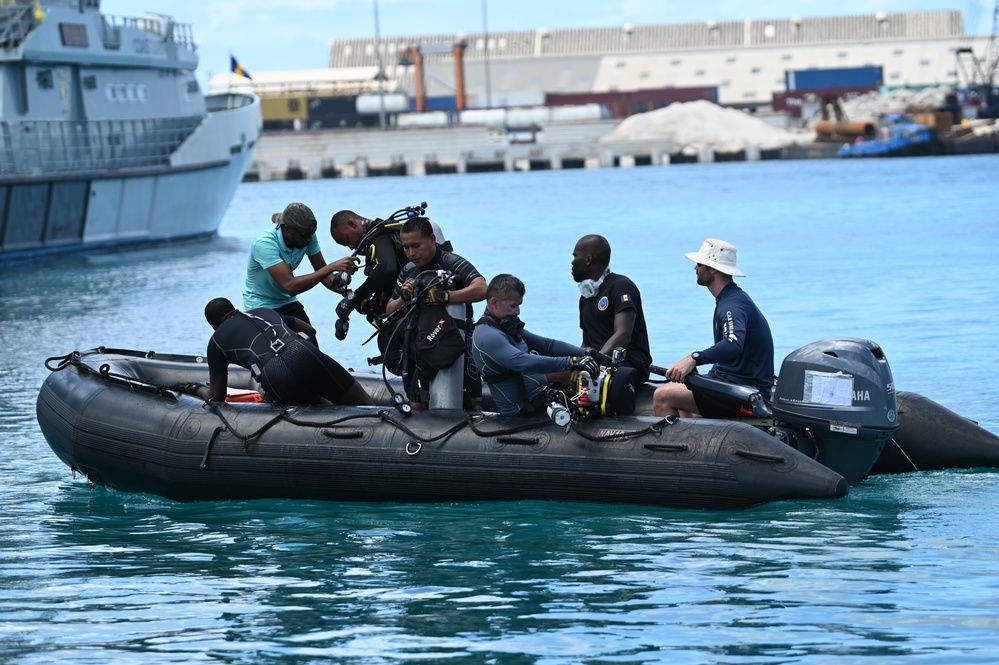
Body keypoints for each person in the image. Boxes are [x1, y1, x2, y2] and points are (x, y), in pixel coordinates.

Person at [653, 238, 774, 419]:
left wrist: (694, 358)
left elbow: (733, 344)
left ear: (713, 268)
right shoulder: (730, 299)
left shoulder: (732, 305)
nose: (695, 268)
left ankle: (671, 446)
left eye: (699, 264)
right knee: (685, 385)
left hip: (744, 395)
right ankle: (689, 445)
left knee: (662, 396)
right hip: (733, 384)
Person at [386, 216, 487, 409]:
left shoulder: (450, 262)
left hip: (456, 342)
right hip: (419, 345)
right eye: (406, 248)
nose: (411, 253)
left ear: (432, 239)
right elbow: (390, 309)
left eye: (416, 246)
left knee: (474, 400)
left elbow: (482, 288)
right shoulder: (408, 270)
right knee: (415, 401)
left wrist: (446, 297)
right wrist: (404, 298)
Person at [201, 297, 373, 406]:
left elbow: (217, 398)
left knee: (325, 412)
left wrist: (197, 390)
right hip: (302, 350)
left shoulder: (216, 341)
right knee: (364, 404)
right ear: (234, 308)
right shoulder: (263, 311)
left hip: (273, 373)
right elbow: (310, 330)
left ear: (213, 326)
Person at [471, 274, 598, 417]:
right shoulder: (487, 336)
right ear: (494, 303)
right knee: (593, 412)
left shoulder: (505, 325)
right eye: (513, 306)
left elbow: (547, 345)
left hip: (540, 393)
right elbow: (523, 362)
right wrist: (571, 362)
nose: (517, 311)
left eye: (519, 306)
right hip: (524, 407)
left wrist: (587, 353)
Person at [243, 202, 359, 340]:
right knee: (284, 348)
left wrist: (349, 294)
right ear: (287, 229)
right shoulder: (265, 244)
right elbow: (290, 286)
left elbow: (326, 277)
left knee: (310, 339)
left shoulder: (307, 237)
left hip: (287, 301)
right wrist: (332, 267)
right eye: (305, 235)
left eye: (312, 234)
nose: (309, 239)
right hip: (261, 304)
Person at [571, 234, 652, 385]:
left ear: (588, 259)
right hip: (598, 363)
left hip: (628, 364)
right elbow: (586, 343)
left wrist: (592, 361)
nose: (572, 262)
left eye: (575, 256)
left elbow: (623, 335)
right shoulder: (585, 297)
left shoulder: (621, 286)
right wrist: (577, 363)